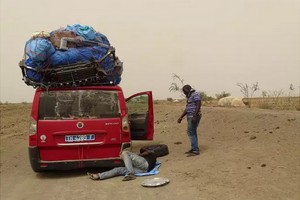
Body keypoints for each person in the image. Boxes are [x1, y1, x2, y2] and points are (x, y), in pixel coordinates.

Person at [87, 150, 157, 181]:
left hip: (144, 164)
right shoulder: (141, 159)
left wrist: (138, 154)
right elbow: (131, 160)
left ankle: (131, 173)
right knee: (118, 169)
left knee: (125, 152)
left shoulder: (151, 153)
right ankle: (99, 176)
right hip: (142, 170)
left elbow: (147, 152)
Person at [177, 84, 202, 156]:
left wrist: (194, 115)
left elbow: (198, 104)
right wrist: (181, 117)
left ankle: (195, 150)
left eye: (184, 91)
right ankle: (194, 148)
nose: (184, 93)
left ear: (188, 89)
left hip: (193, 116)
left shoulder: (195, 94)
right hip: (190, 116)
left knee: (191, 132)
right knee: (192, 132)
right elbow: (187, 108)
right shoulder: (189, 96)